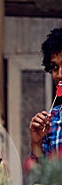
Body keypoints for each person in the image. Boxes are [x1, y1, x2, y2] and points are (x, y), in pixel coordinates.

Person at [29, 27, 62, 160]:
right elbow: (40, 177)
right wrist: (36, 142)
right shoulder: (52, 120)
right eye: (55, 67)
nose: (60, 75)